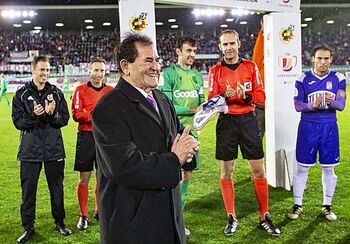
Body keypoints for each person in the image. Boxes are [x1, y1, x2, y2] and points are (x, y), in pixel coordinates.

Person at [92, 33, 200, 244]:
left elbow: (179, 137)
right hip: (133, 224)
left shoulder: (161, 98)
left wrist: (189, 149)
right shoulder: (109, 107)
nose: (156, 66)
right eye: (148, 61)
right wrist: (174, 159)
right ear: (125, 66)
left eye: (157, 60)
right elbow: (124, 167)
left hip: (170, 218)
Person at [207, 29, 280, 236]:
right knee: (226, 171)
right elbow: (212, 100)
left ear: (239, 44)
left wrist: (245, 96)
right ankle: (231, 216)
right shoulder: (215, 71)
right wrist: (225, 96)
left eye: (232, 43)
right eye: (225, 44)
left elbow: (261, 96)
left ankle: (264, 215)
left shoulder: (251, 67)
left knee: (258, 170)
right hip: (227, 122)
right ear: (220, 47)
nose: (229, 48)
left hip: (248, 120)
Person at [12, 55, 71, 243]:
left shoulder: (57, 93)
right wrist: (35, 116)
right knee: (28, 191)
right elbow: (18, 122)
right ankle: (28, 227)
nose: (45, 73)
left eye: (47, 70)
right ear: (33, 70)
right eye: (42, 69)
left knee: (57, 188)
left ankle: (60, 222)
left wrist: (52, 114)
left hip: (54, 149)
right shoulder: (20, 94)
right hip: (30, 150)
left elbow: (64, 119)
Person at [288, 44, 346, 221]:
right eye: (319, 58)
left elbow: (341, 105)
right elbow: (298, 105)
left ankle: (327, 206)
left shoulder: (339, 78)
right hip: (308, 127)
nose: (322, 62)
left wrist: (332, 101)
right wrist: (311, 106)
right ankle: (297, 205)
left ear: (331, 59)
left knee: (329, 169)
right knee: (302, 167)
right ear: (313, 59)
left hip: (329, 127)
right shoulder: (302, 78)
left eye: (326, 58)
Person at [159, 36, 205, 236]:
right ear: (178, 51)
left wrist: (205, 109)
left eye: (194, 51)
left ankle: (178, 219)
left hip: (191, 134)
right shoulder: (168, 74)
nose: (192, 55)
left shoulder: (197, 75)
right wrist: (192, 110)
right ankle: (166, 219)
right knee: (171, 177)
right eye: (188, 51)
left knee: (186, 175)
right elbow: (166, 103)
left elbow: (202, 100)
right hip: (173, 133)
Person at [72, 58, 113, 230]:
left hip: (104, 138)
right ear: (90, 71)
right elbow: (76, 114)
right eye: (96, 70)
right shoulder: (80, 90)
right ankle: (83, 215)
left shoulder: (110, 91)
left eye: (102, 71)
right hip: (86, 137)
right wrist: (95, 115)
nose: (98, 74)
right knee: (84, 177)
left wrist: (87, 113)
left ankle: (99, 209)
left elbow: (114, 114)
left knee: (102, 176)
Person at [252, 20, 266, 136]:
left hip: (278, 107)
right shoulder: (258, 65)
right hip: (261, 107)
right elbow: (258, 51)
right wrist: (262, 32)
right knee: (256, 140)